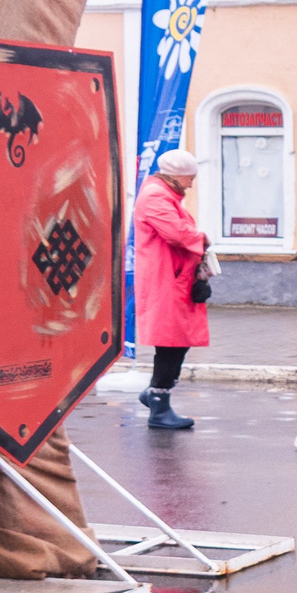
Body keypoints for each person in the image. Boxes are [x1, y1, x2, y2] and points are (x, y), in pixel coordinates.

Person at [132, 146, 209, 431]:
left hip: (174, 278)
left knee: (178, 340)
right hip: (165, 280)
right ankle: (158, 402)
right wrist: (202, 239)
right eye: (189, 178)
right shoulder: (155, 196)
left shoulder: (164, 194)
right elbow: (176, 233)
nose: (191, 183)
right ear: (175, 177)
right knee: (171, 342)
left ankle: (155, 395)